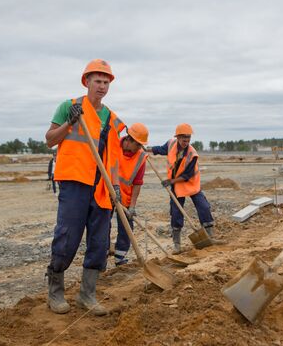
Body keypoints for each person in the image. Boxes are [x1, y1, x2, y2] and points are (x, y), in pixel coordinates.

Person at [44, 59, 125, 316]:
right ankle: (55, 293)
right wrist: (69, 123)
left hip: (101, 187)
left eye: (106, 82)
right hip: (75, 182)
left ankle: (87, 295)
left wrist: (116, 187)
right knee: (67, 237)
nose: (101, 86)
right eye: (97, 81)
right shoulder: (69, 107)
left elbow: (112, 158)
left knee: (100, 242)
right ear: (86, 82)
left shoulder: (111, 118)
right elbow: (49, 141)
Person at [147, 123, 215, 254]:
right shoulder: (171, 144)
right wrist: (146, 150)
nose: (186, 141)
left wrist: (170, 181)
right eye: (184, 139)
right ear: (177, 137)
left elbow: (187, 175)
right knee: (176, 211)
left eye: (188, 138)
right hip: (177, 184)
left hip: (191, 182)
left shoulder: (192, 154)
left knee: (203, 206)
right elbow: (160, 149)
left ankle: (210, 235)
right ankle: (177, 244)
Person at [113, 123, 149, 266]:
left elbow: (137, 183)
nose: (140, 148)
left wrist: (132, 206)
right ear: (129, 140)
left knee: (127, 229)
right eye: (139, 144)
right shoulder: (113, 146)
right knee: (102, 227)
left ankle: (119, 258)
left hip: (125, 198)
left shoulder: (140, 157)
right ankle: (100, 259)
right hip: (107, 193)